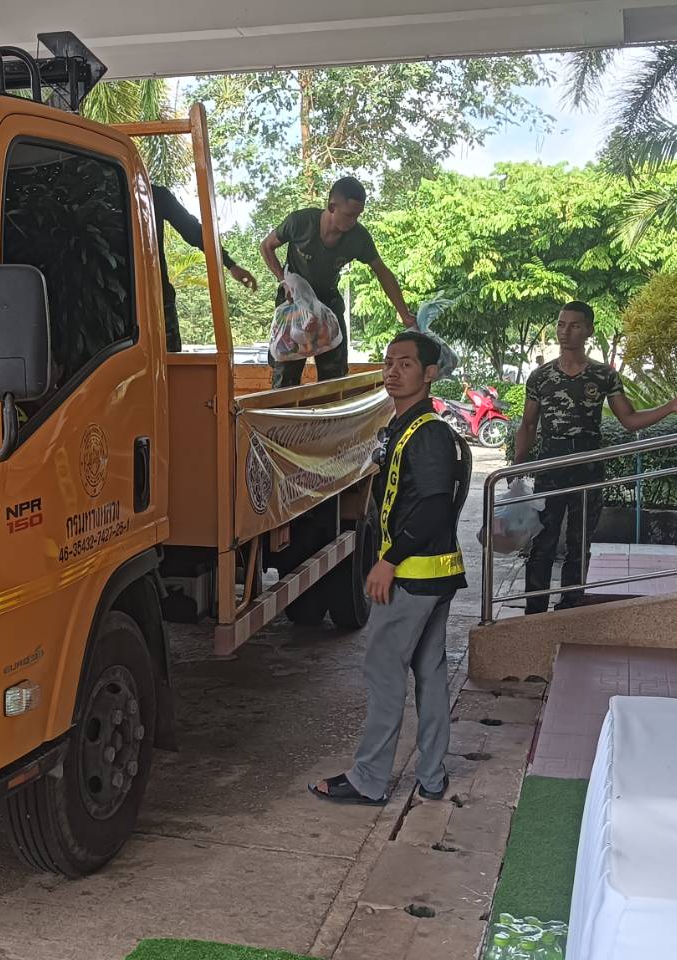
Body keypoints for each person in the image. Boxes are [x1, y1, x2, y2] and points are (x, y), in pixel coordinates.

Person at [310, 330, 467, 806]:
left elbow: (434, 505)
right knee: (430, 672)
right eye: (388, 362)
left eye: (406, 363)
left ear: (430, 373)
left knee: (384, 673)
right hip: (434, 574)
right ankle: (432, 776)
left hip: (413, 576)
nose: (392, 372)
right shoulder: (409, 427)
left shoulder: (428, 434)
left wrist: (388, 561)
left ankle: (369, 779)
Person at [516, 302, 677, 614]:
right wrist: (518, 463)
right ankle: (533, 612)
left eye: (574, 325)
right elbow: (528, 424)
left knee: (579, 542)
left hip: (588, 467)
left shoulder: (603, 375)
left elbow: (629, 419)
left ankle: (570, 608)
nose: (565, 331)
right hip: (551, 466)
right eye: (561, 324)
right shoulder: (540, 376)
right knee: (543, 542)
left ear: (589, 330)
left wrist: (671, 406)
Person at [260, 177, 417, 387]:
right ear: (332, 207)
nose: (353, 221)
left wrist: (404, 314)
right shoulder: (300, 222)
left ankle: (333, 405)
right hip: (294, 301)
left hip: (328, 302)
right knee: (285, 373)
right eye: (349, 215)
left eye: (358, 216)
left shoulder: (358, 237)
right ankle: (282, 404)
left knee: (334, 375)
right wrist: (283, 280)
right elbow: (266, 246)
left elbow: (382, 272)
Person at [153, 184, 258, 352]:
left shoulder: (154, 195)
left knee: (169, 362)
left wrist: (230, 264)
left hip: (155, 302)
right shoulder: (154, 194)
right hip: (139, 304)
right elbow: (195, 232)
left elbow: (196, 233)